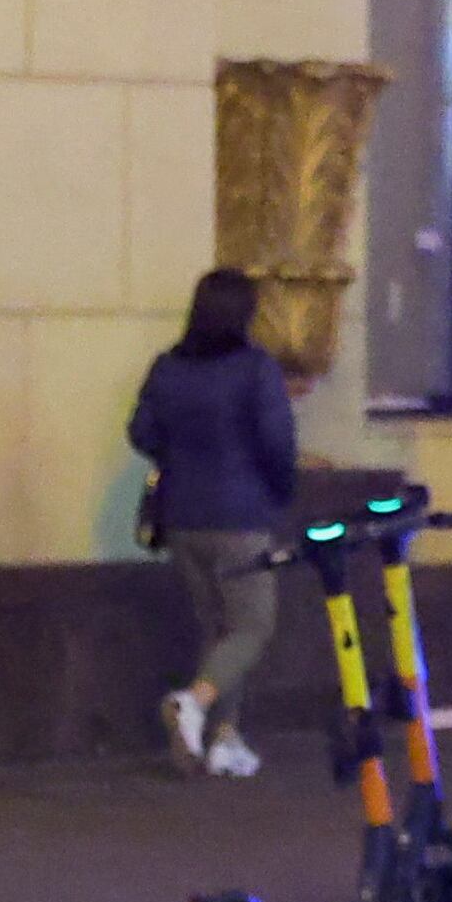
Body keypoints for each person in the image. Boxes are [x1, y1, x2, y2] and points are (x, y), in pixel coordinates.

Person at [127, 272, 301, 779]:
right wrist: (280, 490)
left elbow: (141, 431)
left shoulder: (168, 368)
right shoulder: (254, 371)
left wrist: (179, 454)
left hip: (182, 517)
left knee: (219, 630)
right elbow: (276, 442)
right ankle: (194, 705)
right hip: (241, 516)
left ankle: (225, 740)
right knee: (252, 626)